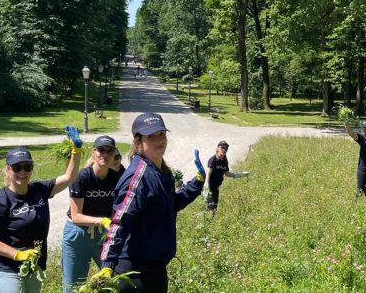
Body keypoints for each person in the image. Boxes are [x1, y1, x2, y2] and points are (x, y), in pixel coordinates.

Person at [93, 112, 205, 292]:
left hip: (154, 269)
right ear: (138, 143)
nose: (159, 140)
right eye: (151, 137)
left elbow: (169, 206)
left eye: (161, 134)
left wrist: (196, 184)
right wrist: (107, 264)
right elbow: (120, 221)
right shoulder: (138, 177)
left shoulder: (160, 171)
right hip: (134, 273)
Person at [0, 127, 83, 293]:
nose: (22, 172)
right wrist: (17, 254)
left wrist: (76, 151)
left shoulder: (40, 190)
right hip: (6, 269)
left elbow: (69, 177)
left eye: (27, 167)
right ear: (8, 170)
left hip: (34, 267)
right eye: (17, 168)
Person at [61, 135, 121, 293]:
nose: (105, 154)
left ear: (114, 154)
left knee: (113, 281)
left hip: (104, 235)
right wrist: (102, 221)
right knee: (72, 286)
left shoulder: (117, 178)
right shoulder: (82, 177)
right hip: (78, 234)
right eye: (101, 150)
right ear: (93, 152)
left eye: (110, 151)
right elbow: (76, 216)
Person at [342, 98, 366, 196]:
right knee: (360, 191)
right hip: (363, 169)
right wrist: (346, 122)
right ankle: (356, 204)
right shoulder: (361, 138)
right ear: (362, 129)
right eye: (364, 128)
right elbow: (350, 132)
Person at [205, 140, 250, 213]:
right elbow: (208, 173)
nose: (224, 149)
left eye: (226, 148)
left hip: (216, 188)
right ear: (218, 148)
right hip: (209, 188)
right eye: (222, 147)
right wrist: (206, 184)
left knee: (214, 210)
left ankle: (207, 219)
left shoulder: (225, 161)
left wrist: (241, 174)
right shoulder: (213, 159)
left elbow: (226, 173)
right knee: (211, 210)